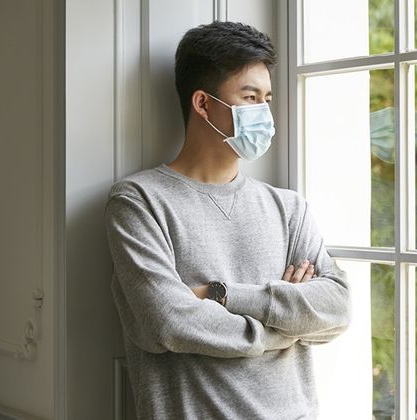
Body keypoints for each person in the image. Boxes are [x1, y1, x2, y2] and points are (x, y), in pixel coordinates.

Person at [104, 21, 351, 419]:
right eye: (250, 97)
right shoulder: (138, 201)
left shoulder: (288, 207)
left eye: (267, 98)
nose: (265, 113)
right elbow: (167, 321)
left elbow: (336, 308)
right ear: (203, 104)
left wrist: (220, 296)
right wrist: (286, 324)